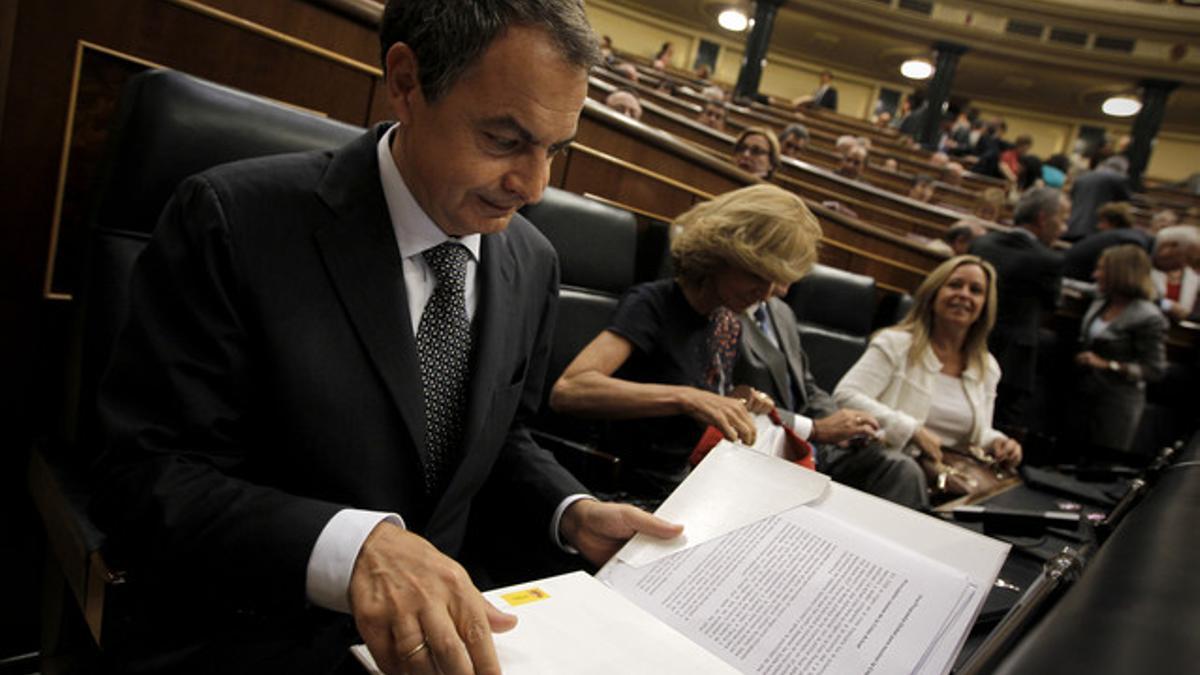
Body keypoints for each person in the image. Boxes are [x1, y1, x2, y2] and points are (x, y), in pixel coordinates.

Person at [90, 2, 682, 672]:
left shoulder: (532, 262)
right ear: (405, 80)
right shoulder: (232, 220)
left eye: (555, 150)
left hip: (449, 636)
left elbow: (502, 437)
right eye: (504, 139)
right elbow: (143, 475)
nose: (535, 186)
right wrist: (354, 547)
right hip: (254, 633)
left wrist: (569, 508)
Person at [550, 185, 924, 507]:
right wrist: (687, 397)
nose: (764, 295)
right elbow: (571, 389)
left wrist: (739, 401)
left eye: (773, 283)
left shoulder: (725, 319)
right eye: (756, 277)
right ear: (720, 255)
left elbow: (704, 397)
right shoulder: (653, 303)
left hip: (700, 485)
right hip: (636, 489)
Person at [835, 256, 1022, 489]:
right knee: (908, 474)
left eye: (975, 290)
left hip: (950, 476)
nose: (964, 294)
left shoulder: (987, 367)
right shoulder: (895, 344)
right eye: (955, 285)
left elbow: (978, 432)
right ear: (933, 293)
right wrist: (911, 430)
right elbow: (846, 395)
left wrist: (998, 442)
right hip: (889, 463)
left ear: (984, 306)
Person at [969, 187, 1068, 429]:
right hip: (1012, 362)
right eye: (1063, 219)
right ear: (1043, 218)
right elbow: (1052, 304)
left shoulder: (982, 243)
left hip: (969, 343)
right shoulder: (1049, 260)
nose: (1065, 228)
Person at [1070, 245, 1167, 455]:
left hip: (1116, 404)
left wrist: (1108, 365)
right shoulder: (1102, 298)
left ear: (1119, 273)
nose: (1095, 274)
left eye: (1102, 269)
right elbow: (1071, 285)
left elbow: (1154, 370)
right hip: (1084, 395)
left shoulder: (1148, 317)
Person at [1062, 202, 1152, 281]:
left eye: (1102, 222)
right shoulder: (1127, 237)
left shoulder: (1125, 242)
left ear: (1114, 222)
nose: (1098, 226)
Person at [1064, 155, 1131, 241]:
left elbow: (1071, 199)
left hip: (1070, 226)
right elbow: (1125, 204)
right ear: (1123, 169)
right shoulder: (1119, 179)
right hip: (1095, 230)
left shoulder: (1082, 177)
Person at [1150, 224, 1200, 321]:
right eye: (1188, 258)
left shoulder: (1191, 273)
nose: (1187, 265)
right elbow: (1144, 297)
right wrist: (1168, 305)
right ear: (1169, 247)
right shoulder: (1141, 262)